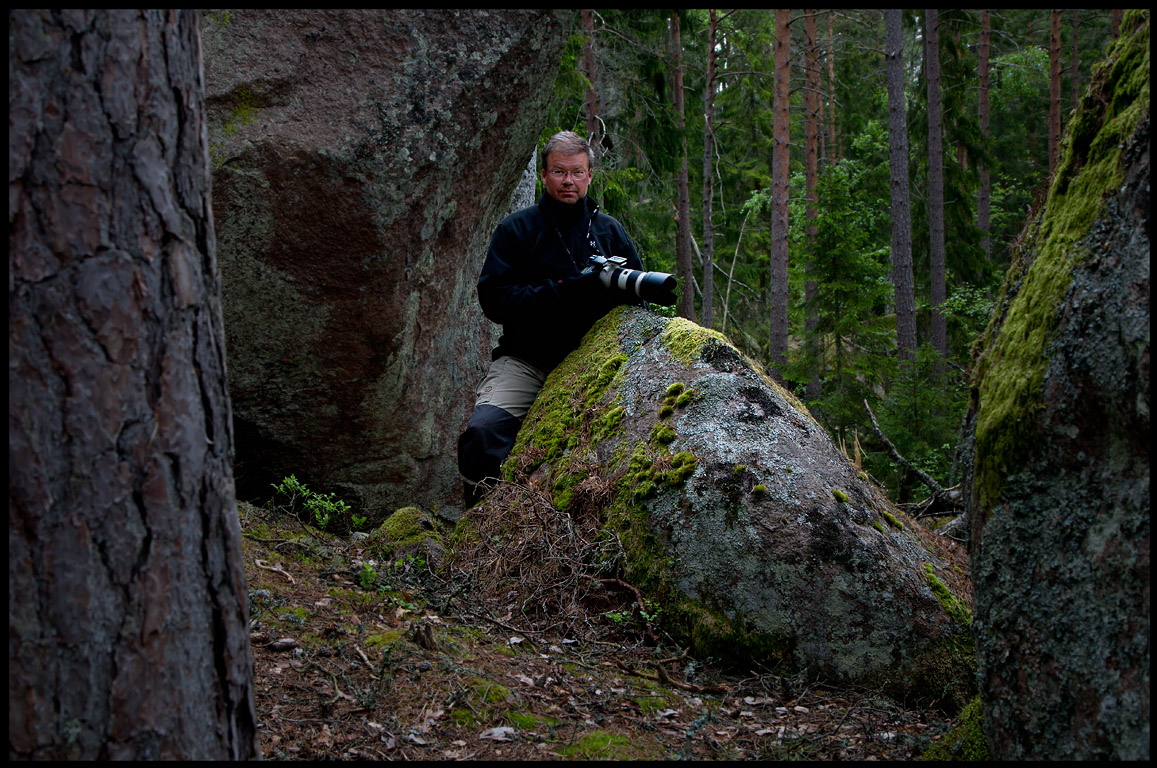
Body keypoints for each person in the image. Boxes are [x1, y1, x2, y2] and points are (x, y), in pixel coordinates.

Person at [457, 131, 646, 507]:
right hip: (526, 360)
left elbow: (638, 296)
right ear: (544, 175)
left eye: (577, 172)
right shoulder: (517, 230)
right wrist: (563, 290)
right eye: (559, 172)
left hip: (595, 362)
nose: (568, 181)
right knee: (482, 433)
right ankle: (479, 529)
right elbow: (494, 300)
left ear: (590, 175)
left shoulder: (609, 232)